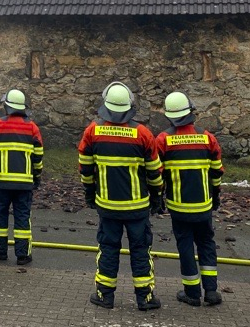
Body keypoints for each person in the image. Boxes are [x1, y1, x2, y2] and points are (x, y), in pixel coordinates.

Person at [79, 82, 164, 311]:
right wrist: (157, 197)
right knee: (140, 250)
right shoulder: (143, 133)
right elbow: (155, 173)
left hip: (107, 206)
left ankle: (104, 295)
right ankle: (145, 298)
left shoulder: (93, 131)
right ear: (129, 106)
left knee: (108, 248)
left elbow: (85, 170)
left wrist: (89, 194)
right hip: (137, 208)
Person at [155, 92, 225, 307]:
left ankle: (192, 293)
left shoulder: (163, 139)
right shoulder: (207, 137)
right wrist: (215, 196)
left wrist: (157, 198)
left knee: (185, 246)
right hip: (203, 205)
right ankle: (211, 291)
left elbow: (156, 173)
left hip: (179, 207)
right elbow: (216, 172)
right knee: (206, 244)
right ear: (190, 111)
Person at [0, 89, 44, 266]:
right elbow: (38, 156)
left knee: (0, 216)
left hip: (2, 182)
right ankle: (23, 255)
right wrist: (36, 177)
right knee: (23, 216)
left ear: (7, 106)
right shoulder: (32, 127)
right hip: (24, 184)